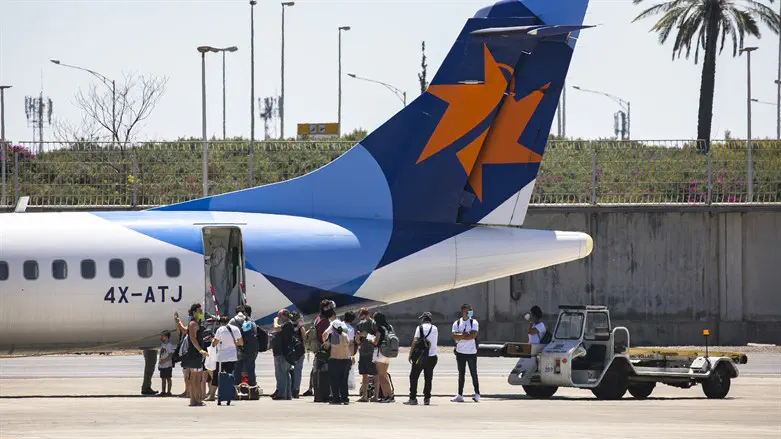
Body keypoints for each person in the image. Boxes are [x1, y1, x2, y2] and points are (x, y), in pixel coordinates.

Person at [175, 303, 208, 407]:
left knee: (199, 378)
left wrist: (178, 321)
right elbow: (193, 339)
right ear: (194, 312)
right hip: (194, 354)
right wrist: (200, 350)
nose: (201, 313)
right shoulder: (193, 324)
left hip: (198, 355)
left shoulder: (197, 323)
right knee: (194, 378)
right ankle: (193, 400)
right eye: (199, 311)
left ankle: (197, 399)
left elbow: (185, 330)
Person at [302, 300, 336, 397]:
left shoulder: (318, 318)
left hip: (316, 347)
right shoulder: (324, 321)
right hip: (323, 349)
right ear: (326, 308)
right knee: (324, 370)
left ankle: (310, 388)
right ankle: (325, 391)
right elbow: (323, 336)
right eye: (331, 308)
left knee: (315, 368)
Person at [405, 312, 438, 406]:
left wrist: (410, 354)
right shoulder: (435, 328)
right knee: (428, 378)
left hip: (420, 356)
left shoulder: (419, 328)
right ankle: (427, 398)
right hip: (432, 356)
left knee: (414, 377)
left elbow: (415, 340)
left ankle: (413, 398)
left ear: (423, 319)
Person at [207, 316, 243, 401]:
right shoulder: (235, 329)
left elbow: (214, 343)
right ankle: (229, 394)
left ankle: (212, 395)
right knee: (229, 375)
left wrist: (212, 341)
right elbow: (241, 342)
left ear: (220, 323)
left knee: (216, 376)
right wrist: (233, 342)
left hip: (221, 357)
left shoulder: (221, 329)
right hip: (232, 356)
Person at [451, 304, 480, 403]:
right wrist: (465, 334)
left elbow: (473, 335)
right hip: (460, 352)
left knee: (473, 373)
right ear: (463, 311)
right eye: (469, 310)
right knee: (461, 374)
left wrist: (461, 336)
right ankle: (460, 395)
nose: (471, 311)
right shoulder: (457, 323)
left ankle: (477, 394)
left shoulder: (474, 322)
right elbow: (454, 337)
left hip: (471, 352)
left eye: (471, 310)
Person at [323, 310, 351, 405]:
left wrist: (327, 331)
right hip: (346, 360)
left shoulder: (333, 336)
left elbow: (324, 339)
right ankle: (345, 397)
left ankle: (336, 397)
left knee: (334, 380)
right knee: (344, 380)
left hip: (335, 360)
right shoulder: (346, 335)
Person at [230, 305, 259, 389]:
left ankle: (236, 386)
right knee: (251, 368)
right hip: (251, 348)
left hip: (239, 347)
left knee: (237, 368)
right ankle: (252, 386)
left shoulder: (234, 320)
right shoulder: (251, 320)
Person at [354, 308, 377, 402]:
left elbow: (377, 338)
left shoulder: (373, 324)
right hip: (363, 351)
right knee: (364, 374)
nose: (360, 317)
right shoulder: (360, 324)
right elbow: (357, 341)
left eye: (361, 315)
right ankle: (365, 396)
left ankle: (374, 395)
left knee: (374, 373)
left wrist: (366, 335)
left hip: (371, 351)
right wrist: (358, 337)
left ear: (365, 314)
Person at [372, 312, 395, 403]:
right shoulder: (389, 327)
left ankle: (387, 396)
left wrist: (369, 337)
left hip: (380, 353)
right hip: (388, 353)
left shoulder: (379, 328)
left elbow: (376, 342)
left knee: (381, 376)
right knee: (384, 374)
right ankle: (389, 395)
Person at [272, 309, 294, 400]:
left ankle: (281, 394)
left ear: (284, 316)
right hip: (283, 352)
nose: (279, 318)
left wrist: (275, 320)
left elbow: (277, 328)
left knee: (281, 374)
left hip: (282, 352)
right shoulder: (287, 324)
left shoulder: (287, 324)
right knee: (285, 373)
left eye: (280, 316)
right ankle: (287, 394)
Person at [290, 310, 306, 398]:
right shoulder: (300, 327)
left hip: (290, 351)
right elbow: (304, 337)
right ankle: (296, 390)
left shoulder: (288, 326)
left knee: (289, 370)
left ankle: (290, 388)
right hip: (300, 351)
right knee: (298, 371)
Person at [157, 331, 174, 397]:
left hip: (167, 365)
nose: (161, 337)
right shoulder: (163, 344)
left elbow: (170, 355)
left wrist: (164, 361)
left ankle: (169, 391)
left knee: (168, 378)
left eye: (162, 336)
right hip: (162, 366)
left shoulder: (169, 345)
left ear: (166, 337)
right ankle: (163, 391)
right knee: (163, 378)